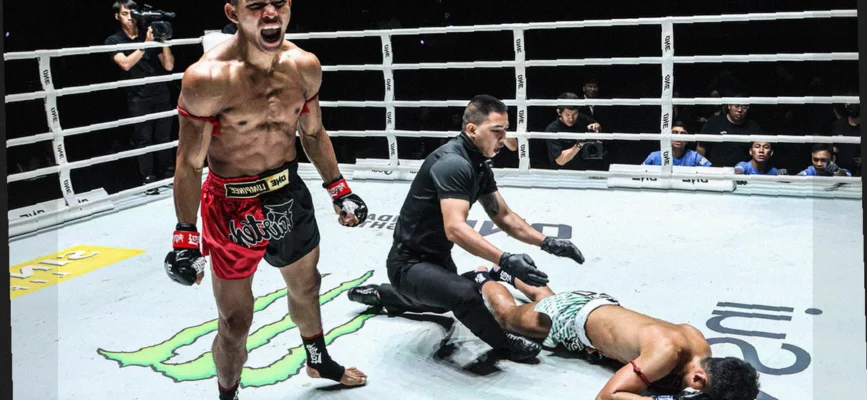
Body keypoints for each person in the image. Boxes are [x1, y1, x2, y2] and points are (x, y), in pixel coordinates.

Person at [163, 1, 369, 398]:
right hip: (230, 206)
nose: (270, 13)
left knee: (306, 287)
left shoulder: (304, 66)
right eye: (257, 5)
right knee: (235, 322)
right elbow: (189, 162)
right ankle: (228, 393)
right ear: (233, 13)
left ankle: (318, 359)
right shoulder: (208, 78)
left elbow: (312, 133)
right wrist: (185, 235)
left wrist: (338, 188)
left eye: (278, 3)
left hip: (286, 192)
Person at [349, 95, 587, 362]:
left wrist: (546, 242)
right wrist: (505, 260)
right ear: (472, 129)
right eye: (496, 131)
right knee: (464, 294)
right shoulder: (453, 163)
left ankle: (382, 294)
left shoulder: (478, 164)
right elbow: (455, 229)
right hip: (408, 263)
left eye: (505, 130)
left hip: (437, 259)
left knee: (441, 303)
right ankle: (504, 345)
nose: (503, 138)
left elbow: (504, 216)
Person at [454, 265, 760, 400]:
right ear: (700, 379)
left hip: (599, 307)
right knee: (508, 319)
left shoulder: (702, 349)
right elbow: (608, 396)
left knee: (546, 302)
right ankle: (484, 277)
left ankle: (510, 275)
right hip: (570, 317)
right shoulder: (666, 354)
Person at [105, 0, 175, 194]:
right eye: (125, 14)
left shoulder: (149, 34)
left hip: (160, 92)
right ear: (117, 16)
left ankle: (169, 175)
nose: (130, 18)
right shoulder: (113, 40)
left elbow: (169, 66)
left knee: (164, 137)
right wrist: (145, 45)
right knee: (143, 139)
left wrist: (163, 41)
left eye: (133, 13)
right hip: (137, 96)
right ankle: (148, 179)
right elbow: (126, 64)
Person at [642, 121, 711, 167]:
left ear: (688, 139)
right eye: (675, 133)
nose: (678, 136)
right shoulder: (655, 156)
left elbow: (711, 171)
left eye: (683, 133)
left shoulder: (695, 157)